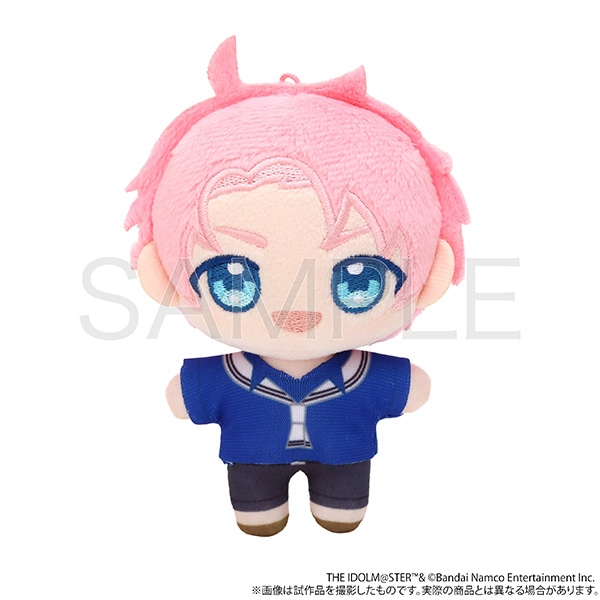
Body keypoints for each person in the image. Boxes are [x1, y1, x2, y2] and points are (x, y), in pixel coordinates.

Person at [125, 37, 469, 536]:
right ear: (163, 275)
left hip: (344, 461)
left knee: (342, 510)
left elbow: (408, 390)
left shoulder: (362, 375)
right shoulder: (231, 378)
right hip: (253, 463)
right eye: (232, 280)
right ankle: (268, 513)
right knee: (257, 511)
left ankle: (334, 507)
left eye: (359, 280)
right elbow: (416, 391)